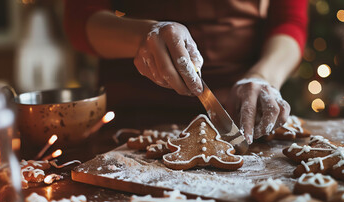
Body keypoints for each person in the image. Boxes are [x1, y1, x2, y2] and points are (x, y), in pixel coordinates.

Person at [63, 0, 308, 144]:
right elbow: (80, 19)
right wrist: (143, 35)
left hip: (238, 116)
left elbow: (289, 21)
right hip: (130, 120)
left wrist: (262, 76)